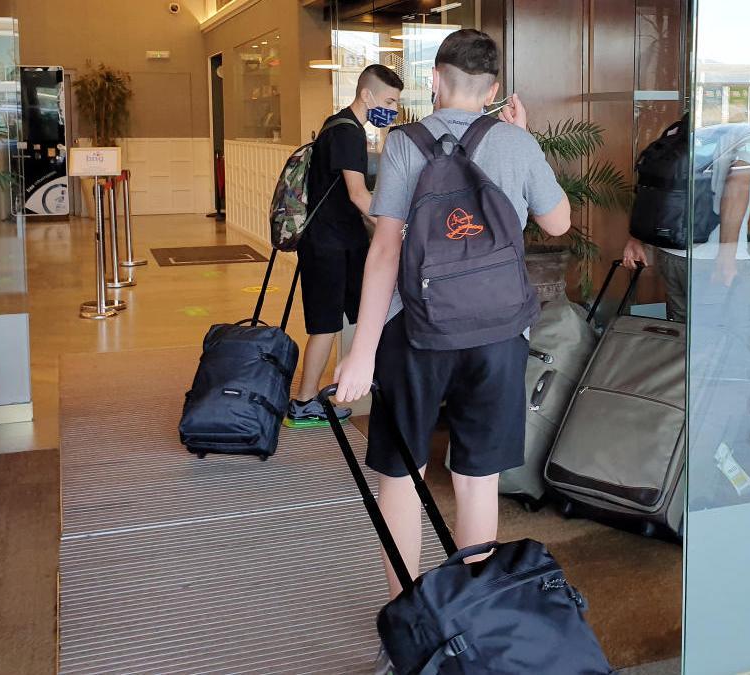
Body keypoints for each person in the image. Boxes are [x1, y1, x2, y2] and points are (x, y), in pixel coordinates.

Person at [328, 29, 570, 672]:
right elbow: (559, 223)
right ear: (493, 92)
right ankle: (469, 618)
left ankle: (407, 620)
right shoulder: (516, 142)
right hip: (498, 338)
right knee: (477, 476)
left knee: (402, 474)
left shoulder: (404, 144)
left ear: (434, 80)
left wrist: (362, 352)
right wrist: (525, 138)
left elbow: (384, 250)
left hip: (417, 336)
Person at [287, 64, 403, 425]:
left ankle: (368, 382)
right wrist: (395, 227)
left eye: (397, 103)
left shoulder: (338, 125)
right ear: (366, 95)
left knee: (372, 312)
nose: (394, 109)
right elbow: (358, 195)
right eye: (389, 100)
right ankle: (304, 402)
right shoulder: (348, 134)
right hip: (328, 245)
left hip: (342, 243)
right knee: (326, 325)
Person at [621, 126, 750, 317]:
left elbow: (652, 185)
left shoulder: (679, 128)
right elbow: (737, 185)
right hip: (713, 258)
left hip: (669, 252)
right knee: (728, 333)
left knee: (682, 334)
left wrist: (635, 238)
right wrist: (727, 255)